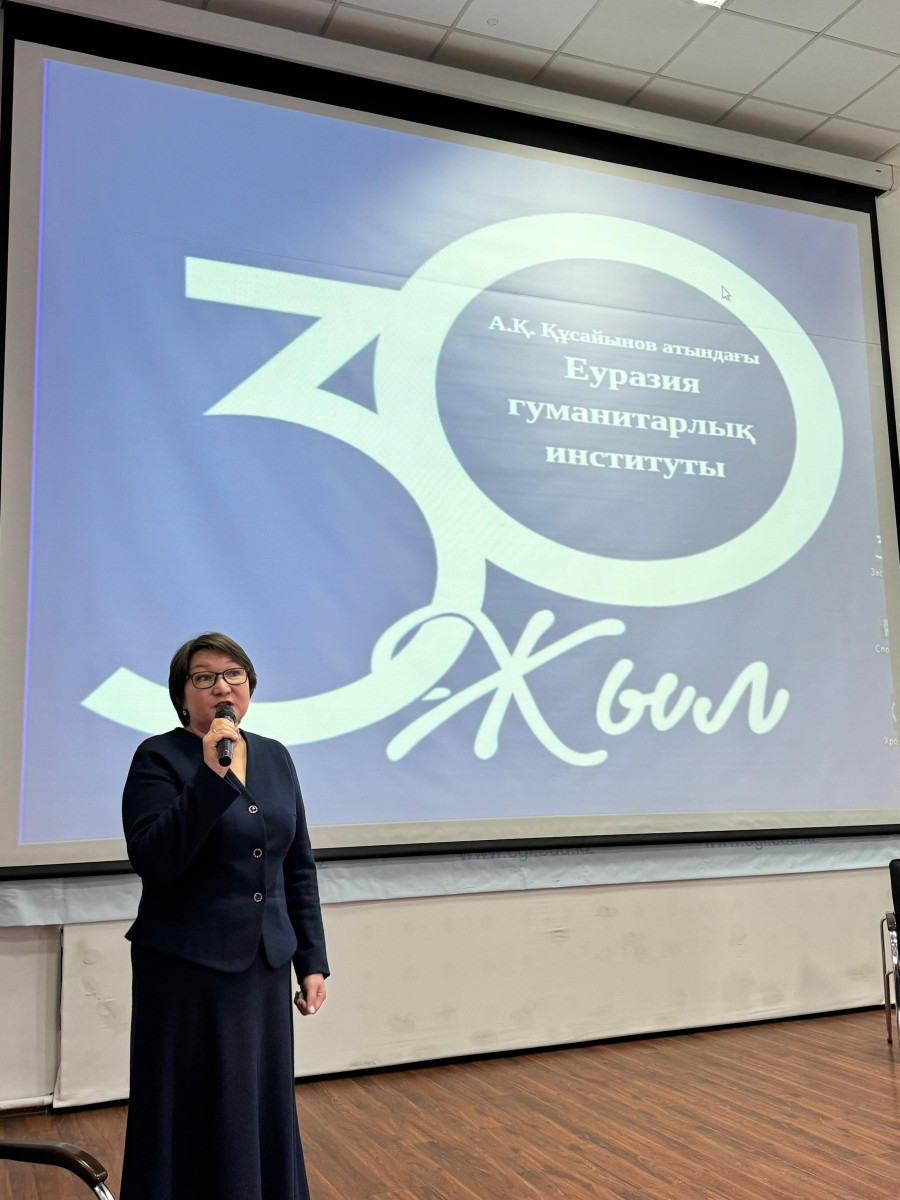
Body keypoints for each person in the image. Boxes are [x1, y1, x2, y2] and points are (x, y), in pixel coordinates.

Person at [119, 632, 328, 1200]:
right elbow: (155, 858)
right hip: (186, 969)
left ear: (249, 687)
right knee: (191, 1109)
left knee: (259, 1105)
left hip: (263, 967)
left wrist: (311, 960)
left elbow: (296, 866)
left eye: (234, 674)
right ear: (182, 696)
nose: (222, 687)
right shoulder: (158, 757)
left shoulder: (276, 757)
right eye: (204, 677)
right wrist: (211, 778)